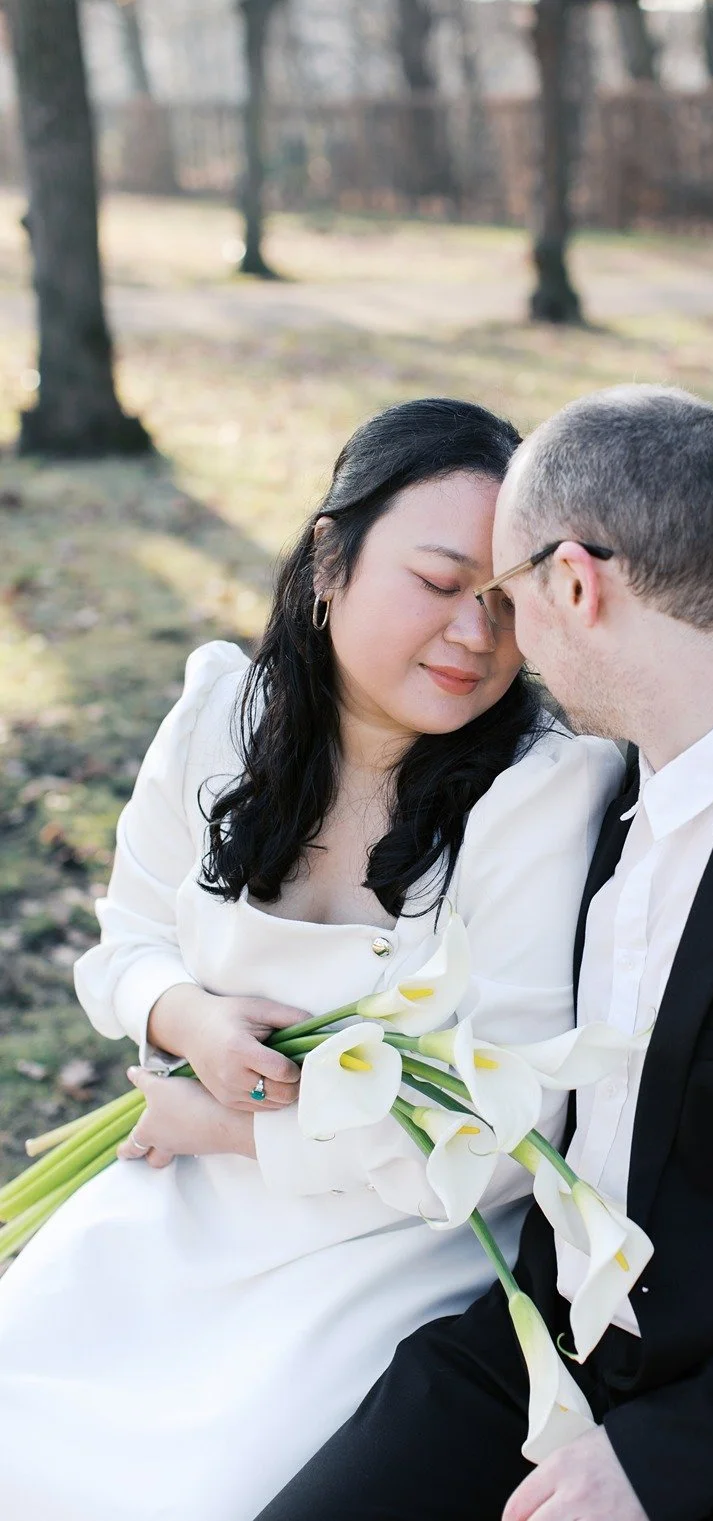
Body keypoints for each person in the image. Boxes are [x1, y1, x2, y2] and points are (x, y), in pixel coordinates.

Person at [257, 385, 713, 1521]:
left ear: (574, 583)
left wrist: (667, 1459)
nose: (496, 638)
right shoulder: (598, 790)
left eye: (508, 596)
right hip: (554, 1341)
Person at [0, 398, 624, 1521]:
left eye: (502, 602)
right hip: (176, 1199)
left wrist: (233, 1127)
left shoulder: (539, 792)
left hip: (385, 1247)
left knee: (195, 1493)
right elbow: (130, 937)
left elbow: (507, 1136)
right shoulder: (219, 716)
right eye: (438, 585)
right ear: (330, 559)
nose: (474, 637)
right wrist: (182, 1018)